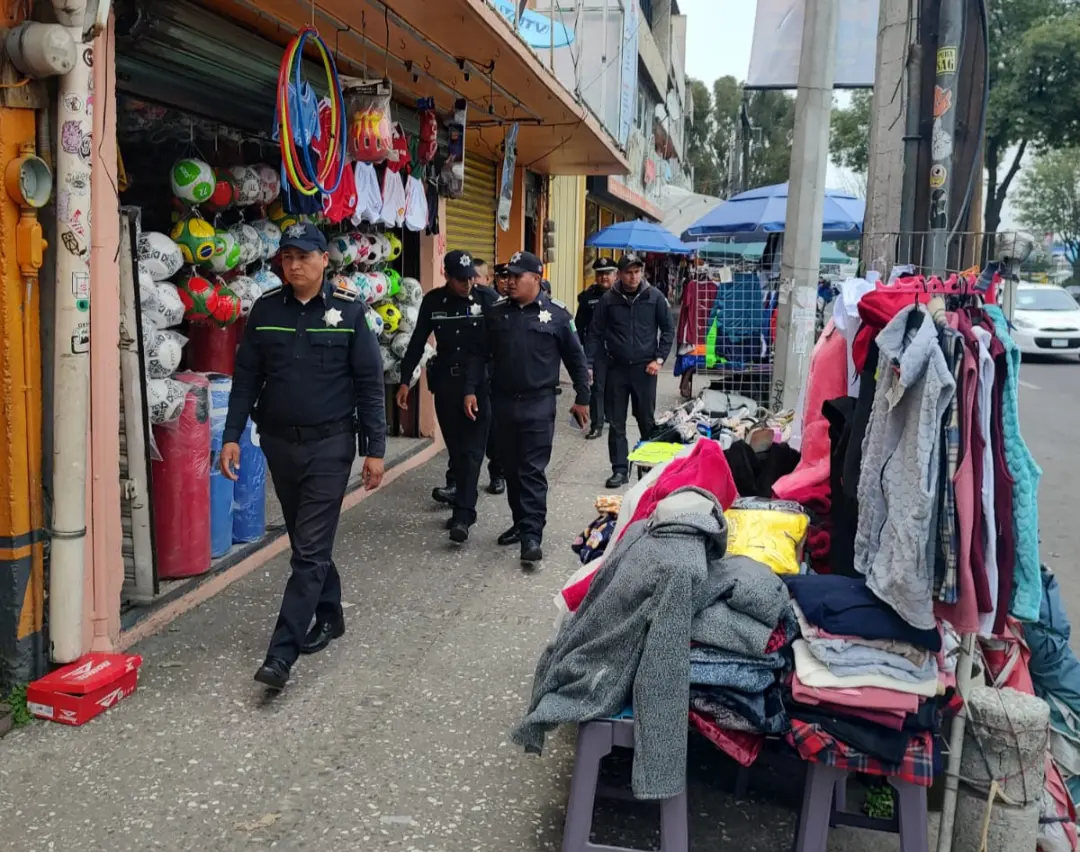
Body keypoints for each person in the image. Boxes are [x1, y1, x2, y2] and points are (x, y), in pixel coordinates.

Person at [220, 223, 386, 690]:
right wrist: (231, 435)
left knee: (309, 550)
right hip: (278, 442)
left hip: (331, 445)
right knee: (306, 544)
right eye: (287, 257)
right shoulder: (266, 310)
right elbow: (246, 378)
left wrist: (375, 449)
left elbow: (370, 386)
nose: (294, 265)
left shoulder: (350, 313)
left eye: (303, 256)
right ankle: (330, 614)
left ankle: (281, 655)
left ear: (324, 260)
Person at [464, 250, 590, 564]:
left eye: (517, 276)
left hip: (539, 403)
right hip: (503, 403)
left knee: (532, 470)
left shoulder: (558, 315)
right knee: (511, 468)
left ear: (536, 277)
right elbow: (478, 355)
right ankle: (521, 523)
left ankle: (532, 534)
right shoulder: (495, 313)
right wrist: (470, 391)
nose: (509, 282)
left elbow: (577, 360)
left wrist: (583, 397)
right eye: (506, 276)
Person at [396, 250, 500, 543]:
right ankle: (463, 502)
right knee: (456, 448)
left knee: (471, 451)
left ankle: (463, 515)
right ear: (446, 276)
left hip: (478, 385)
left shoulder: (487, 299)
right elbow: (417, 341)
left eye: (470, 278)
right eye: (460, 280)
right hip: (446, 385)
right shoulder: (433, 301)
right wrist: (405, 380)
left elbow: (500, 344)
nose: (467, 285)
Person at [586, 251, 674, 489]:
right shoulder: (609, 299)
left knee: (646, 419)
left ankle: (649, 466)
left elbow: (668, 330)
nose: (633, 277)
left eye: (637, 272)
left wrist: (659, 359)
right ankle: (620, 469)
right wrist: (589, 364)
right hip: (616, 368)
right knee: (616, 422)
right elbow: (594, 332)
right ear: (620, 274)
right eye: (628, 272)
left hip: (646, 370)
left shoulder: (654, 297)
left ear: (642, 272)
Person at [575, 257, 617, 440]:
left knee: (614, 386)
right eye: (600, 274)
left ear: (615, 275)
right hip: (596, 349)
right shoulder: (588, 296)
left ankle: (611, 416)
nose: (603, 277)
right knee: (597, 387)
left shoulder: (622, 294)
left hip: (618, 348)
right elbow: (578, 324)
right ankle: (596, 425)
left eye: (607, 273)